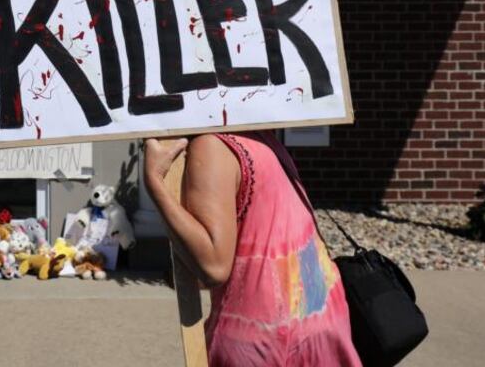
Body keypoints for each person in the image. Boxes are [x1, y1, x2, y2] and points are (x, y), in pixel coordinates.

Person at [144, 131, 361, 367]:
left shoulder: (211, 147)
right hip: (322, 324)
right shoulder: (264, 140)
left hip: (261, 339)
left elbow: (214, 268)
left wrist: (155, 182)